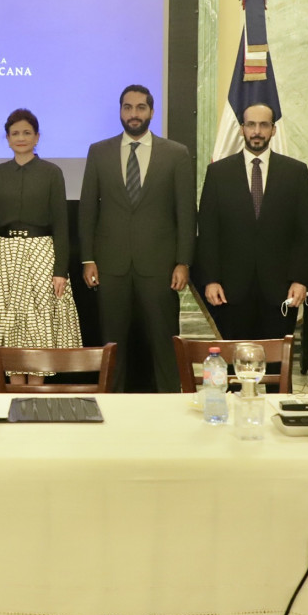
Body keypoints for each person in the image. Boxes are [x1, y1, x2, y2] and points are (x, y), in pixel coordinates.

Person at [78, 84, 196, 392]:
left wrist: (183, 262)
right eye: (128, 107)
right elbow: (88, 209)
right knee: (112, 346)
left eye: (140, 107)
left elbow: (186, 214)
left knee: (165, 344)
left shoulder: (176, 154)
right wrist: (88, 258)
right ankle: (111, 407)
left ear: (151, 112)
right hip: (110, 266)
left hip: (159, 266)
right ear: (120, 111)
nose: (134, 113)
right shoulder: (99, 152)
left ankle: (171, 403)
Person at [0, 108, 81, 383]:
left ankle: (36, 396)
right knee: (10, 330)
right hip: (5, 255)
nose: (21, 138)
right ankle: (15, 395)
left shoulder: (52, 172)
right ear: (7, 139)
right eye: (15, 133)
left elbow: (61, 225)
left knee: (37, 327)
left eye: (27, 133)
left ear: (37, 137)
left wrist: (60, 271)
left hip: (41, 253)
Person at [197, 103, 308, 340]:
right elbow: (208, 232)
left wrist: (300, 279)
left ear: (273, 129)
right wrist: (211, 280)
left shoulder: (296, 172)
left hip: (281, 290)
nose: (257, 131)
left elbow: (304, 234)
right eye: (251, 124)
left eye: (264, 125)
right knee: (235, 360)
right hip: (231, 291)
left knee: (276, 361)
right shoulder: (218, 173)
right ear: (242, 129)